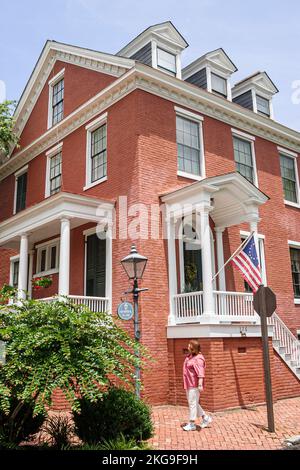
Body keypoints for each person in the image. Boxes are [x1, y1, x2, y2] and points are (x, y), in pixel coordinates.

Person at [182, 339, 212, 431]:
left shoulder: (198, 359)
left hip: (194, 384)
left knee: (192, 404)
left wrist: (200, 385)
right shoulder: (190, 356)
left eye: (189, 346)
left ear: (193, 348)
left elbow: (201, 373)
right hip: (188, 383)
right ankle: (205, 418)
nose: (187, 347)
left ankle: (192, 424)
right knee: (193, 403)